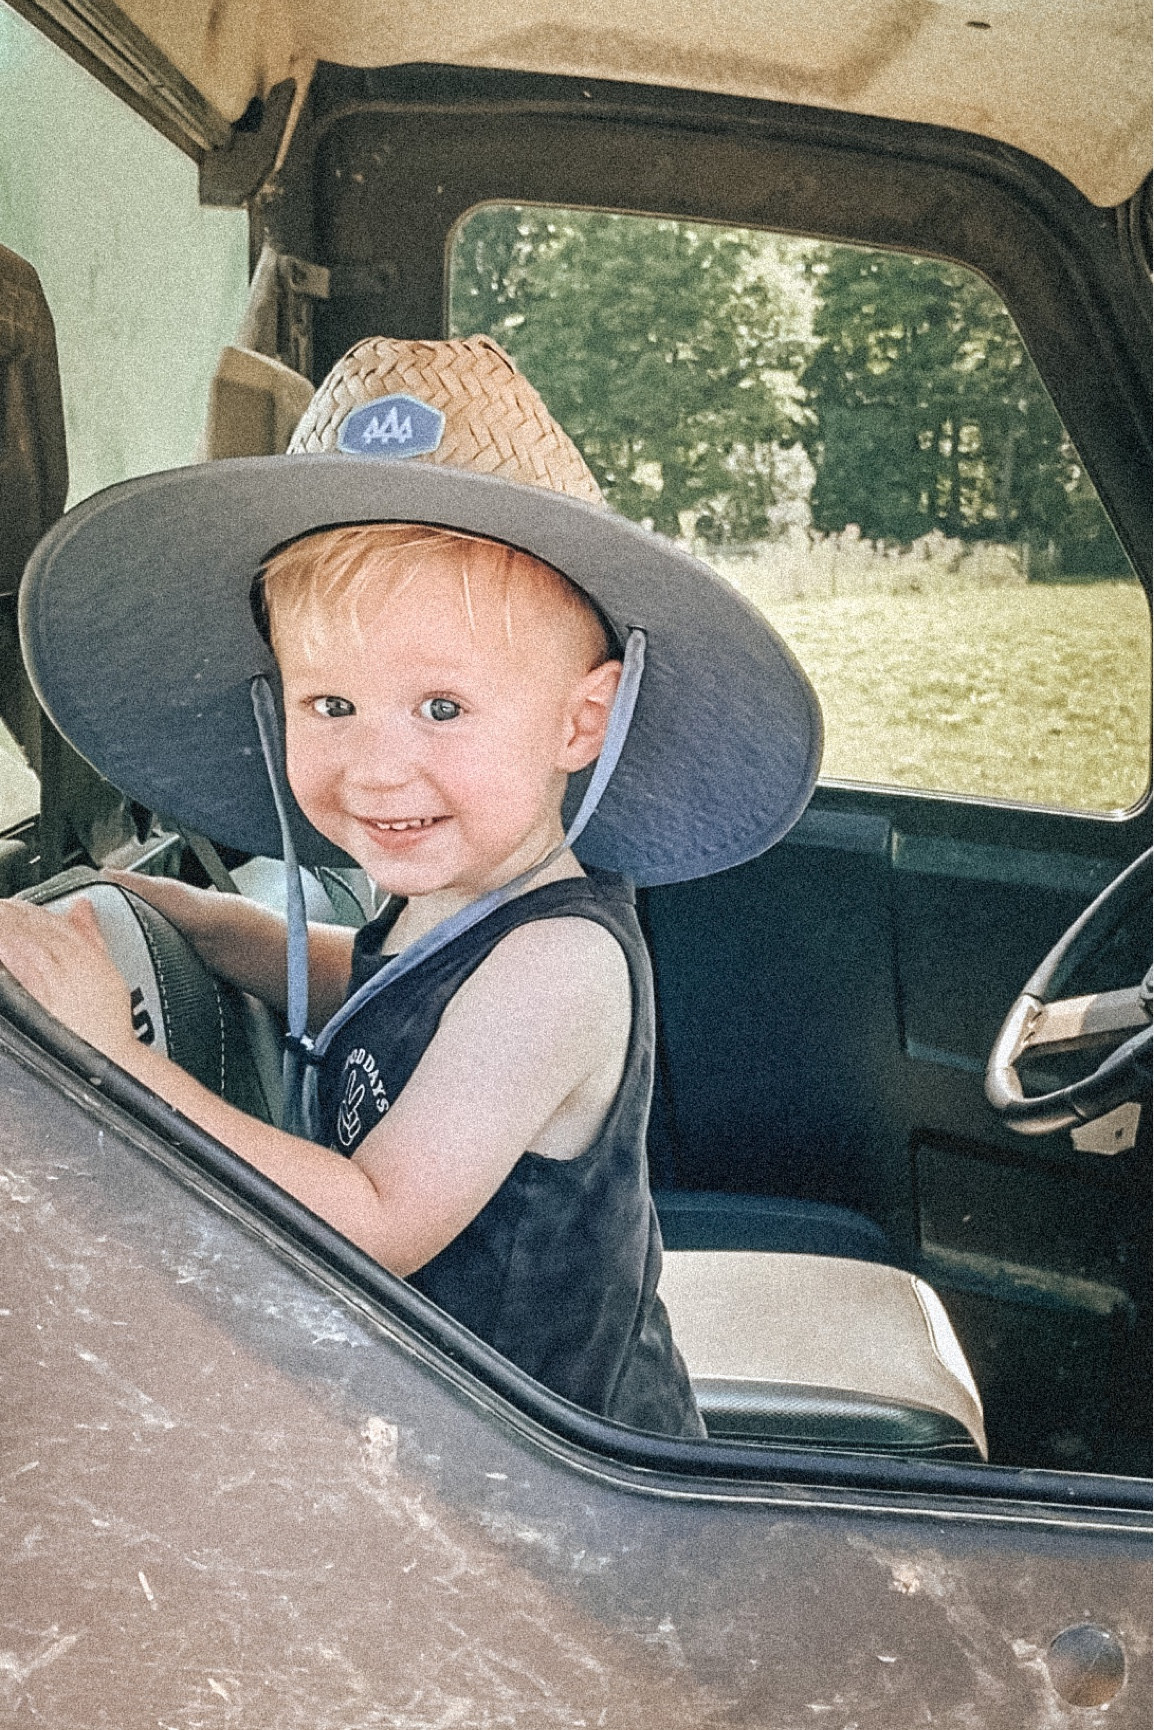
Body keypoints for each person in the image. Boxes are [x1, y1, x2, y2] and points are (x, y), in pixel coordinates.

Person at [2, 335, 823, 1437]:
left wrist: (116, 1054)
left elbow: (377, 1219)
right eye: (329, 705)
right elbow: (388, 984)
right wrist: (208, 924)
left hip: (556, 1484)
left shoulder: (556, 964)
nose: (376, 766)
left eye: (441, 707)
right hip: (443, 1414)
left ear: (577, 721)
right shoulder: (464, 899)